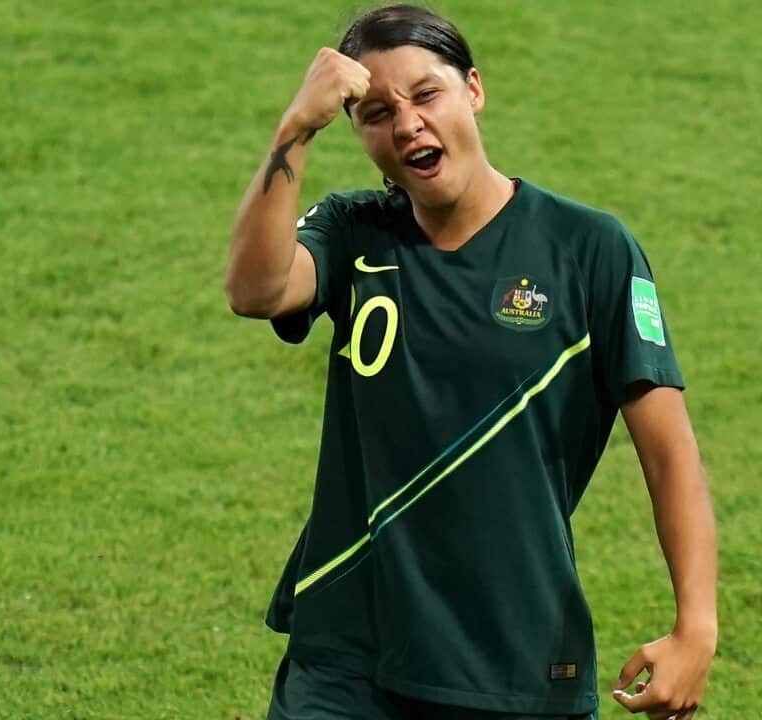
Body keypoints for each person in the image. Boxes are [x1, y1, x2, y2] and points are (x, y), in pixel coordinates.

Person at [225, 5, 717, 719]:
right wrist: (295, 129)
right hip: (347, 651)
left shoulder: (589, 251)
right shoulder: (353, 232)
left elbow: (671, 454)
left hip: (513, 659)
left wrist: (695, 627)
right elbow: (256, 289)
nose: (406, 125)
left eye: (427, 94)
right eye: (374, 112)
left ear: (474, 90)